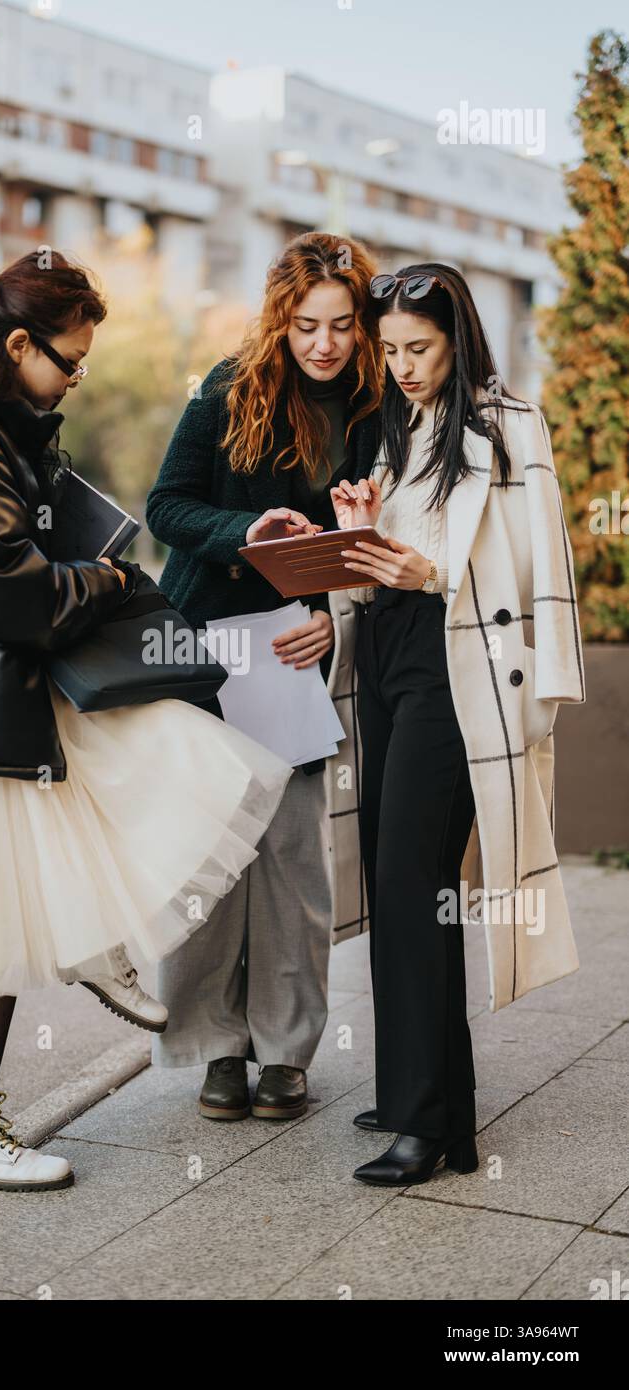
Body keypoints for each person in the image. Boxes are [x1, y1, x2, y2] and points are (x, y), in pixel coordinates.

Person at [0, 250, 292, 1193]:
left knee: (144, 768)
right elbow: (14, 599)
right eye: (71, 359)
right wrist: (108, 579)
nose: (77, 378)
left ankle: (76, 978)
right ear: (18, 344)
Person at [331, 263, 586, 1186]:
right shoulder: (393, 421)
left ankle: (439, 1123)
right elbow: (394, 554)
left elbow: (532, 562)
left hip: (460, 666)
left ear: (458, 338)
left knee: (417, 877)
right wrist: (360, 531)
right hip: (389, 656)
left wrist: (422, 572)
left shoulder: (507, 423)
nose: (400, 365)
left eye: (419, 348)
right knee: (390, 876)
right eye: (389, 348)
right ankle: (410, 1093)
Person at [145, 230, 382, 1121]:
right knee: (213, 857)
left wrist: (332, 611)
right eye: (308, 325)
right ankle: (215, 1046)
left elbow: (371, 539)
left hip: (297, 659)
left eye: (343, 325)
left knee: (290, 862)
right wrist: (242, 533)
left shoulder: (370, 412)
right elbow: (166, 505)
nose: (325, 344)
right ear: (280, 320)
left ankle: (285, 1052)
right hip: (209, 652)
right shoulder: (226, 389)